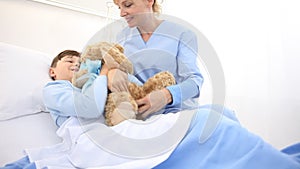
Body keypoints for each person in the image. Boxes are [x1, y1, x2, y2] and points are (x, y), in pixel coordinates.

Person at [2, 50, 300, 169]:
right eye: (69, 62)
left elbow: (129, 92)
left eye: (80, 62)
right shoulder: (54, 89)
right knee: (210, 125)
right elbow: (90, 108)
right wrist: (103, 77)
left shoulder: (87, 83)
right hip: (93, 138)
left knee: (221, 114)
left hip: (120, 126)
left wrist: (120, 78)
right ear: (53, 71)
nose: (76, 65)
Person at [108, 0, 204, 120]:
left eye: (128, 5)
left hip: (175, 114)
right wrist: (111, 72)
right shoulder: (122, 37)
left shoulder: (182, 34)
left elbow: (195, 82)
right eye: (119, 7)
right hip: (138, 114)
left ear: (149, 1)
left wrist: (168, 95)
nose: (122, 13)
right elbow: (112, 63)